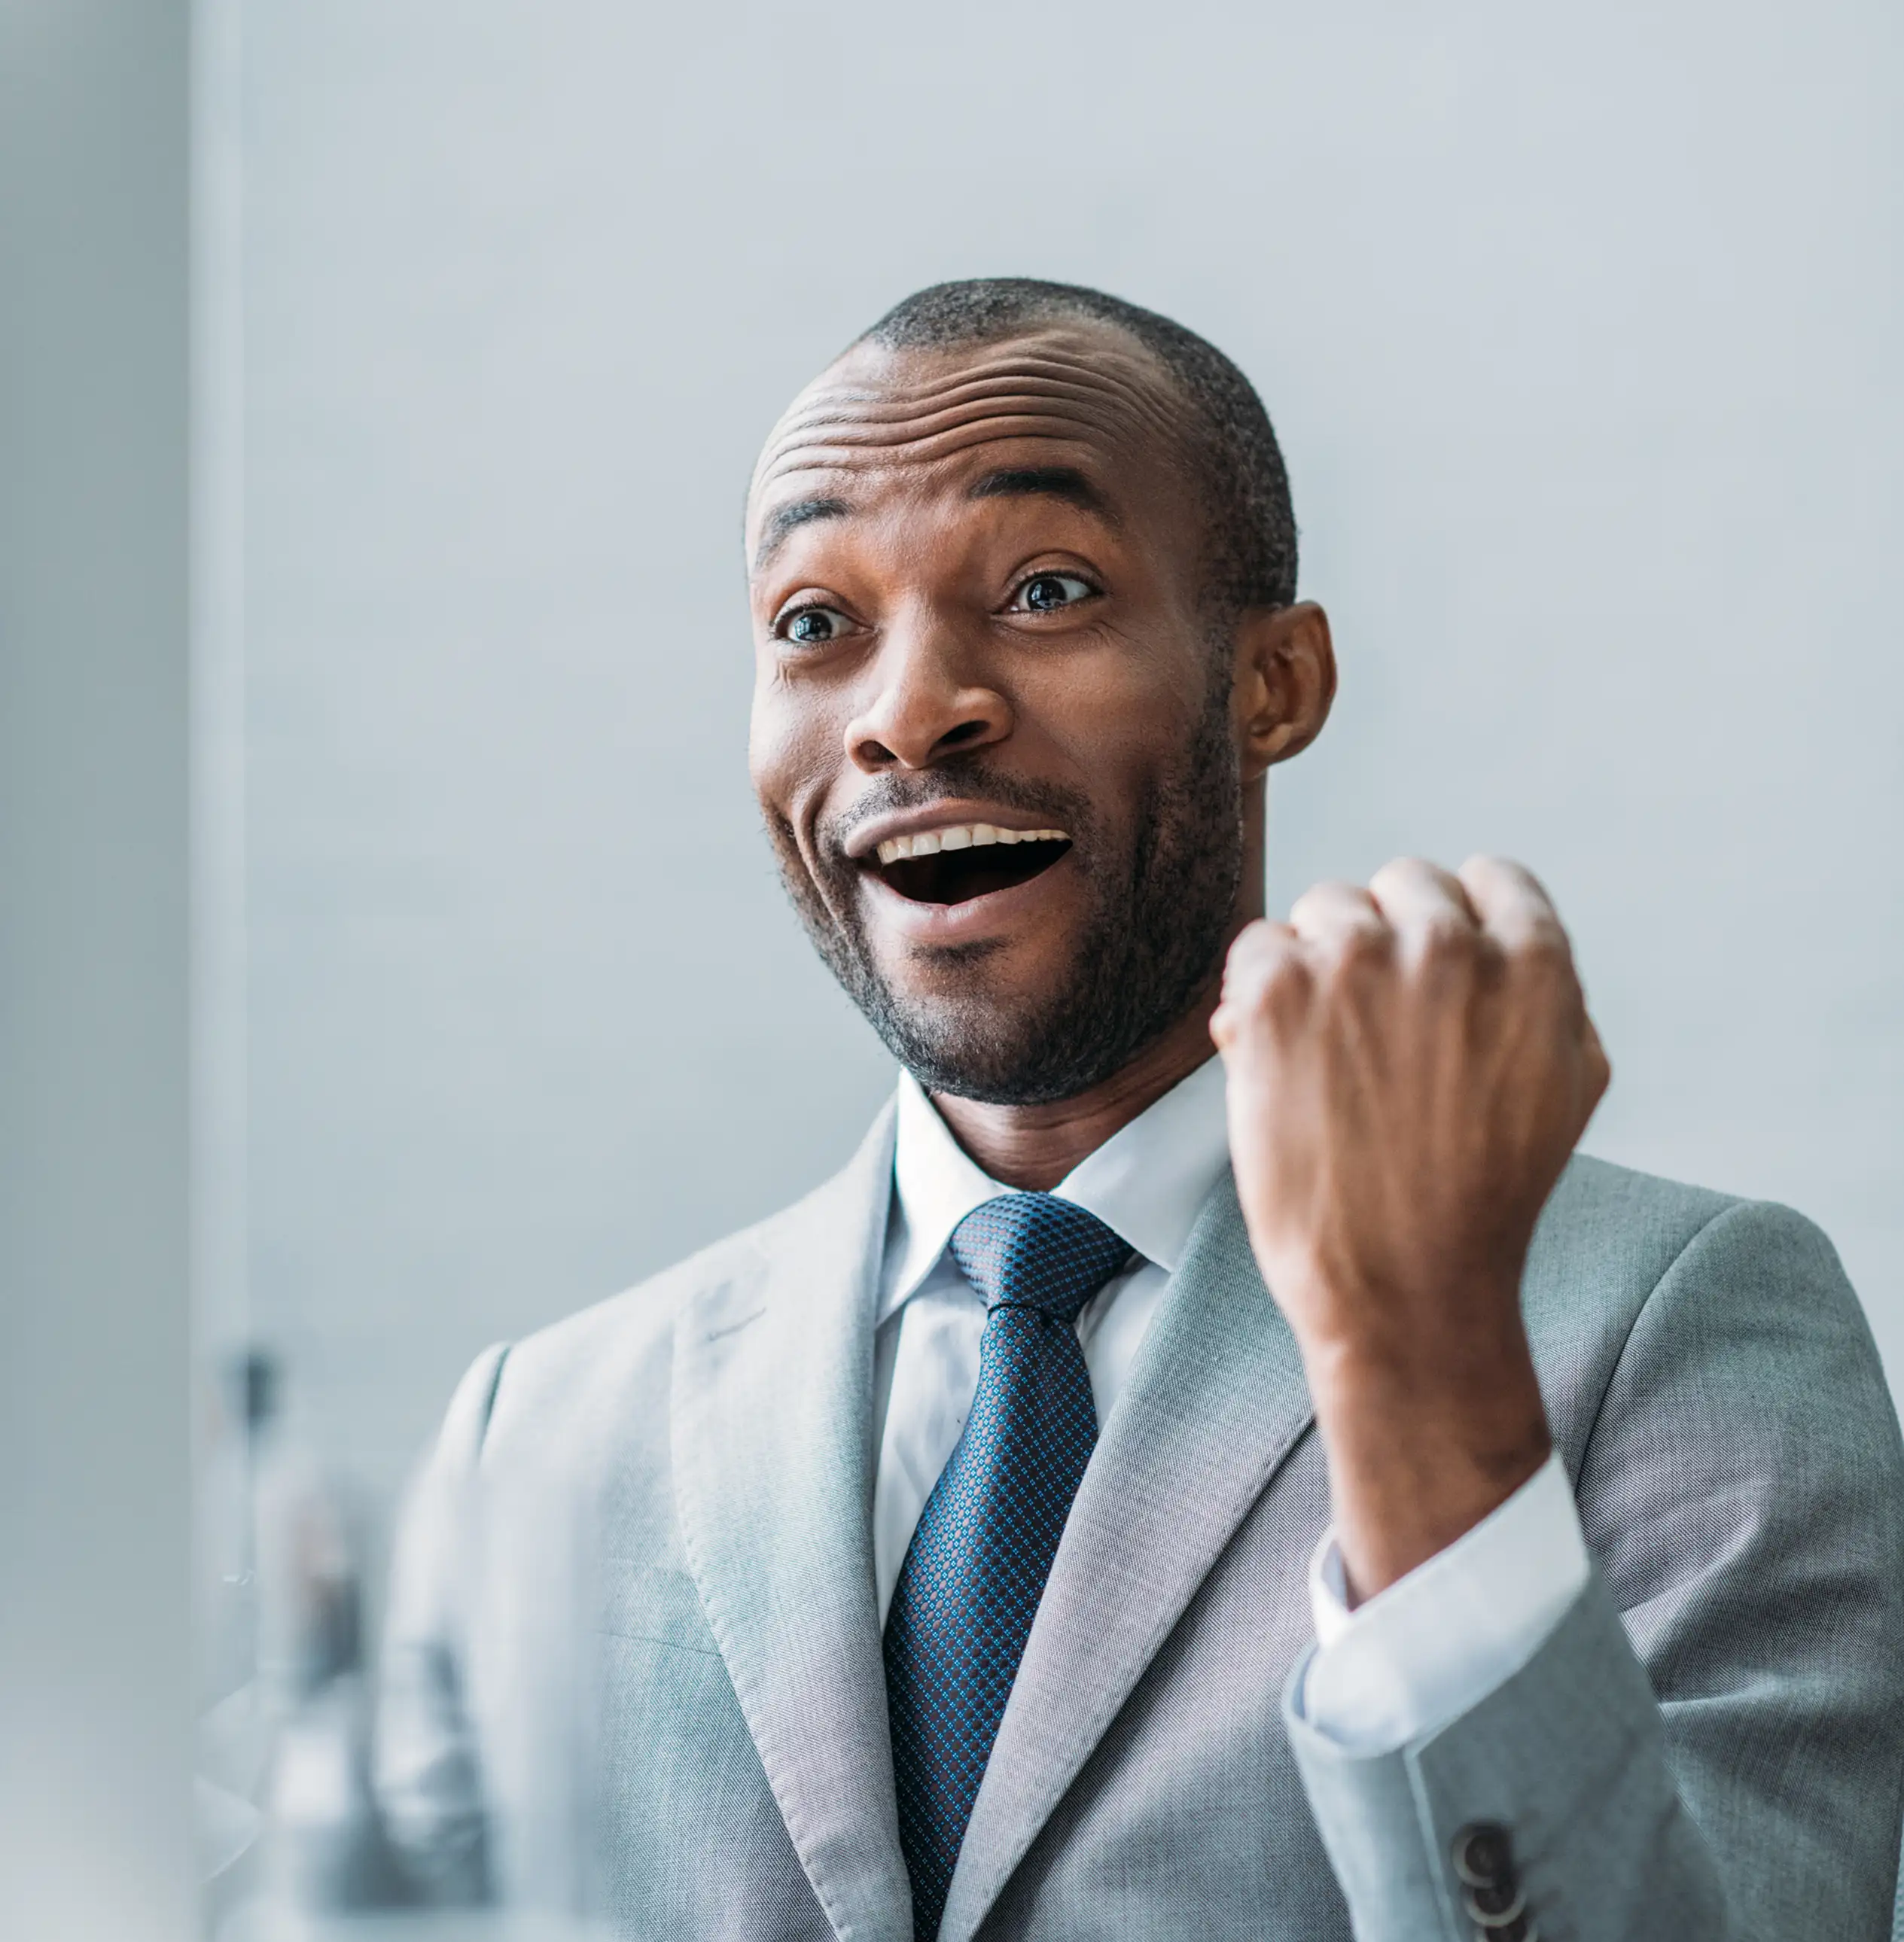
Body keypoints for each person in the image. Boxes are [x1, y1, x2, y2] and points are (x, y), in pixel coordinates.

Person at [376, 279, 1904, 1941]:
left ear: (1274, 684)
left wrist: (1420, 1383)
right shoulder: (535, 1435)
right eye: (816, 624)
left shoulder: (1682, 1327)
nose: (907, 709)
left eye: (1043, 590)